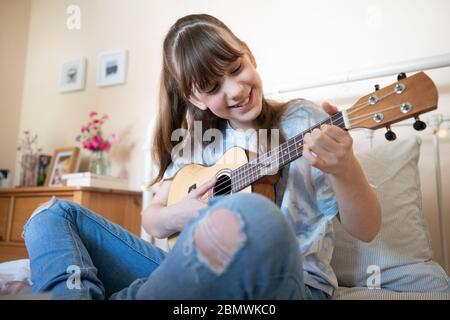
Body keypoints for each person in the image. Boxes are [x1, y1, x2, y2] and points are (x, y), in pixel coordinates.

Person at [23, 13, 381, 300]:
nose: (237, 89)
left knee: (253, 213)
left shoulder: (305, 120)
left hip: (290, 283)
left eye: (237, 68)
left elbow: (367, 228)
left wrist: (345, 168)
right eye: (212, 87)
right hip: (188, 269)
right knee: (51, 214)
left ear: (250, 55)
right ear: (195, 98)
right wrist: (184, 212)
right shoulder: (198, 142)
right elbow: (152, 219)